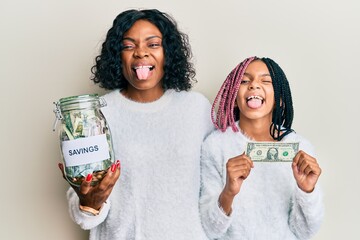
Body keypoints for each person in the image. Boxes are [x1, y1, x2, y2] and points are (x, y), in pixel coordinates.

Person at [58, 9, 213, 240]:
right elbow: (84, 208)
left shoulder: (196, 108)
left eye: (153, 44)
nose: (141, 53)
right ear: (117, 56)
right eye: (128, 46)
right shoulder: (97, 113)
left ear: (168, 53)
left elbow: (213, 188)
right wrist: (89, 204)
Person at [199, 56, 324, 239]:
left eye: (265, 81)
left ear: (279, 98)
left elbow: (305, 232)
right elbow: (210, 230)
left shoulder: (300, 148)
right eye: (244, 81)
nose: (254, 86)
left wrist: (307, 190)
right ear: (233, 97)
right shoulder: (216, 146)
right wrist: (228, 192)